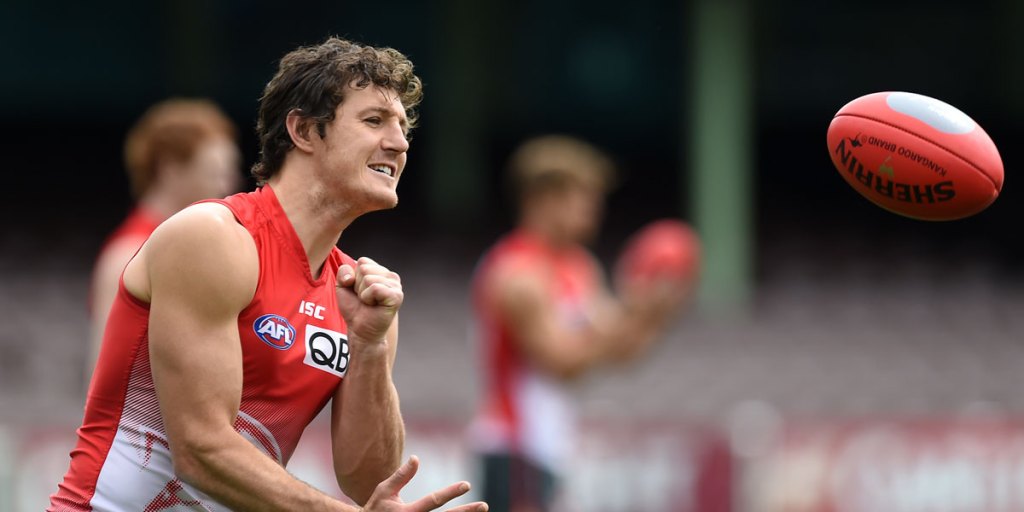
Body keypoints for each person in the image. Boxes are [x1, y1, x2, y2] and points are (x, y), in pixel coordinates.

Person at [51, 36, 487, 512]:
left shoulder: (360, 297)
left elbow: (370, 481)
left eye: (403, 126)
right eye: (374, 120)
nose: (400, 143)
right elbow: (201, 452)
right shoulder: (214, 237)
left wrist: (370, 345)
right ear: (302, 130)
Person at [467, 135, 692, 512]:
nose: (594, 209)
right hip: (514, 448)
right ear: (542, 199)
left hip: (551, 448)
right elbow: (563, 362)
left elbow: (621, 352)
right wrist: (634, 310)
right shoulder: (516, 272)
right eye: (582, 196)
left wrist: (654, 315)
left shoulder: (578, 267)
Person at [86, 98, 242, 382]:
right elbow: (105, 372)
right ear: (170, 168)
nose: (227, 186)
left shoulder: (201, 244)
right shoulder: (128, 253)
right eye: (215, 172)